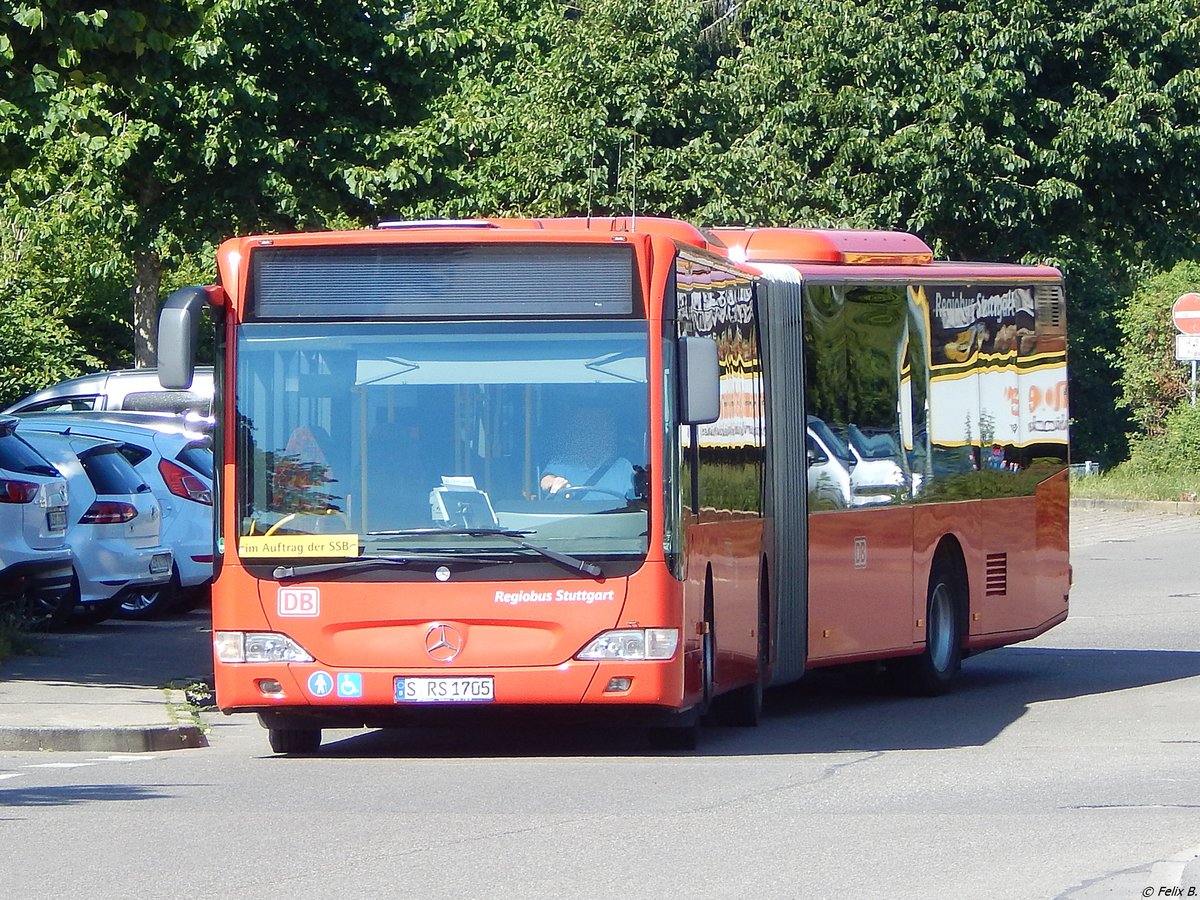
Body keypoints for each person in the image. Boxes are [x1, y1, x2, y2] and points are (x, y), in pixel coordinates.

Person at [539, 406, 635, 499]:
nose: (590, 435)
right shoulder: (562, 462)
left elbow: (633, 500)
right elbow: (545, 480)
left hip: (615, 514)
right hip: (571, 515)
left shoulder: (622, 466)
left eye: (596, 429)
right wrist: (555, 482)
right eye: (584, 429)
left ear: (606, 434)